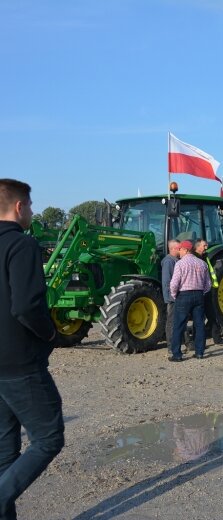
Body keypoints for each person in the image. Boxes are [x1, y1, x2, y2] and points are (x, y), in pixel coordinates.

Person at [0, 179, 64, 519]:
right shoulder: (22, 246)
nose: (33, 211)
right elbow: (25, 305)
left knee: (4, 448)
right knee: (49, 438)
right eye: (32, 205)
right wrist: (50, 334)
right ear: (19, 207)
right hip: (19, 363)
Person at [169, 240, 212, 360]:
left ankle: (177, 354)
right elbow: (208, 284)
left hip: (183, 295)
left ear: (186, 250)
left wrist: (174, 295)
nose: (179, 251)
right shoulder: (202, 263)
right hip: (199, 296)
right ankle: (199, 353)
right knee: (199, 324)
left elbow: (174, 284)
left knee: (178, 325)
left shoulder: (180, 264)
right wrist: (200, 293)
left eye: (180, 249)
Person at [193, 239, 223, 345]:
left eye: (206, 245)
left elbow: (210, 272)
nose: (206, 247)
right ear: (197, 247)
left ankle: (217, 338)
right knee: (198, 318)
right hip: (198, 292)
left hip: (207, 291)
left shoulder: (205, 256)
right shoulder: (193, 258)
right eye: (204, 246)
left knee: (212, 315)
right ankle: (198, 341)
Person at [161, 239, 181, 347]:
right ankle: (171, 345)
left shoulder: (176, 260)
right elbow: (166, 282)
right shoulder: (169, 261)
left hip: (178, 296)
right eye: (179, 248)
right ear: (172, 249)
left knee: (181, 319)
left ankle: (186, 342)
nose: (181, 250)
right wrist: (171, 297)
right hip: (173, 297)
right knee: (172, 321)